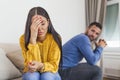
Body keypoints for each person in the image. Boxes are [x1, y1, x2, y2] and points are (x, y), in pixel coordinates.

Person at [19, 6, 62, 80]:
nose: (39, 29)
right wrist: (32, 39)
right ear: (30, 25)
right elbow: (31, 64)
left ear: (48, 22)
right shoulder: (23, 39)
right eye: (35, 25)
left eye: (42, 23)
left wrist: (41, 66)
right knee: (32, 76)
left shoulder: (55, 38)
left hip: (51, 72)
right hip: (31, 72)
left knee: (47, 76)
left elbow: (54, 65)